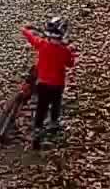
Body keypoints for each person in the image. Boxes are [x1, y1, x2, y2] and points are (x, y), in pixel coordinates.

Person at [21, 17, 76, 148]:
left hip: (43, 84)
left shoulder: (42, 44)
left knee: (41, 106)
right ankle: (54, 123)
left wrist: (25, 29)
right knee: (56, 104)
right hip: (57, 85)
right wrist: (71, 52)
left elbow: (31, 38)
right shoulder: (64, 51)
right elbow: (70, 63)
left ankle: (37, 130)